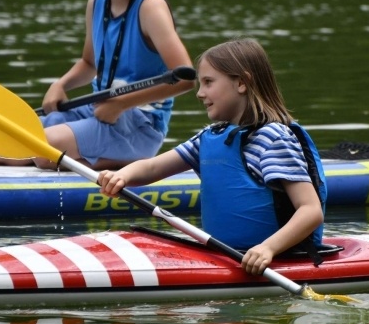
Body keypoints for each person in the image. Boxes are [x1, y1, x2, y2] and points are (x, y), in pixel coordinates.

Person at [97, 38, 327, 276]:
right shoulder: (211, 136)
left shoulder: (272, 139)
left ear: (241, 83)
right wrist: (122, 175)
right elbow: (153, 168)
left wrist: (268, 248)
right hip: (227, 255)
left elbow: (310, 211)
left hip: (273, 258)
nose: (199, 93)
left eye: (208, 82)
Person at [0, 0, 194, 170]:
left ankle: (137, 165)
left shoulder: (151, 9)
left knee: (44, 151)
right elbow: (88, 62)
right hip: (98, 111)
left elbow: (186, 78)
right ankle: (70, 157)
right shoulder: (96, 2)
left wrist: (122, 103)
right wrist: (61, 84)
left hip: (141, 123)